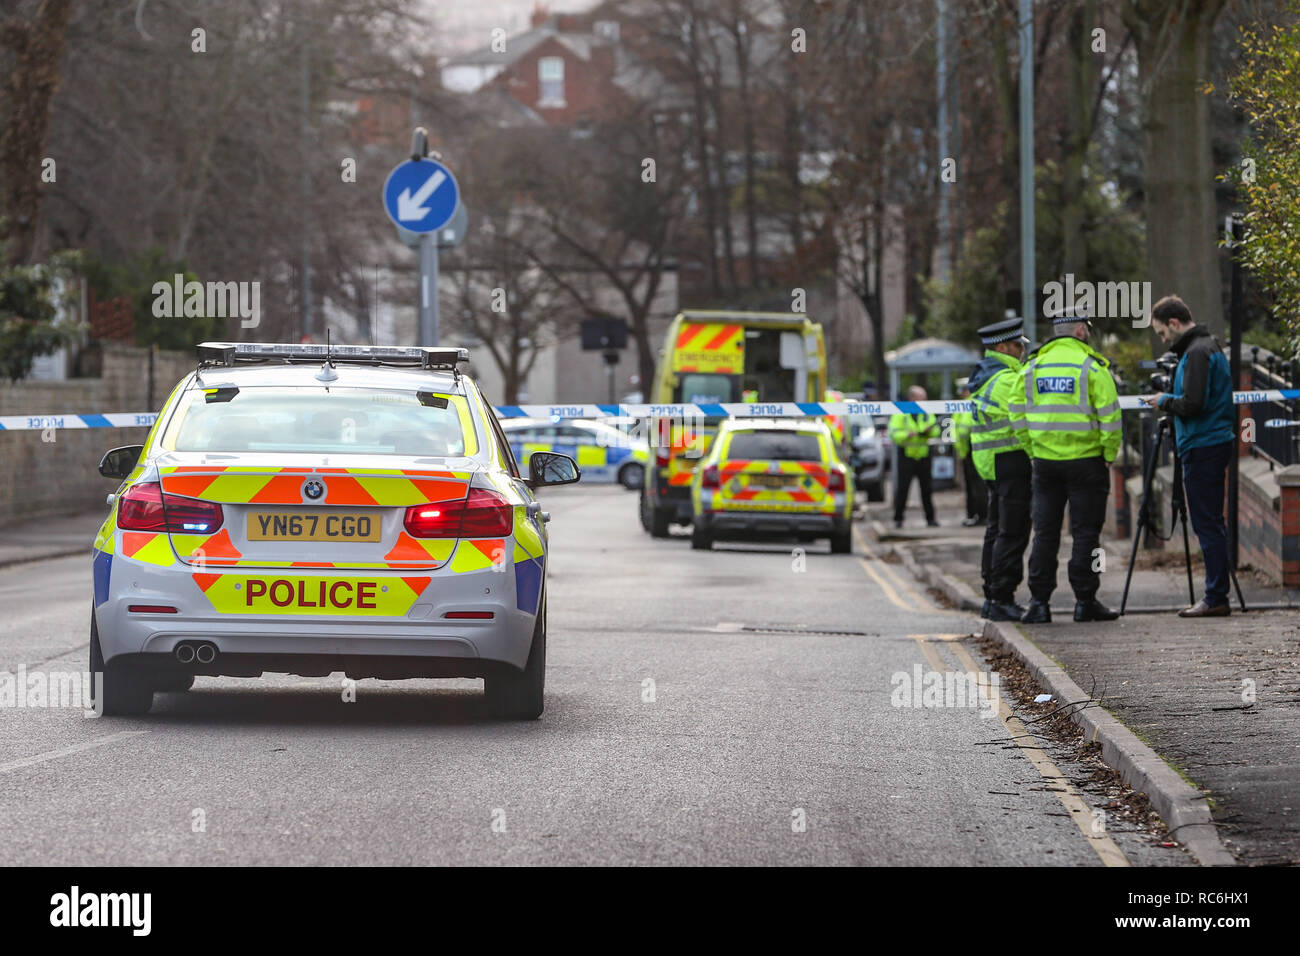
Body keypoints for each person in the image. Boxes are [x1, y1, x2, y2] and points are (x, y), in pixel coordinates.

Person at [1010, 310, 1121, 623]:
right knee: (1087, 534)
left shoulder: (1032, 366)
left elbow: (1016, 413)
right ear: (1081, 331)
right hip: (1088, 462)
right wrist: (1109, 453)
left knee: (1045, 533)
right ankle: (1086, 601)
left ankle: (1039, 603)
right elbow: (1111, 417)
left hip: (1045, 464)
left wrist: (1033, 450)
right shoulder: (1092, 367)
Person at [1142, 295, 1237, 617]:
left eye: (1161, 333)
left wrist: (1164, 400)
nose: (1163, 341)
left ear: (1173, 323)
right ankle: (1216, 594)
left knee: (1207, 523)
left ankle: (1215, 597)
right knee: (1211, 522)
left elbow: (1193, 404)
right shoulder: (1206, 348)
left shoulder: (1197, 353)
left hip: (1203, 444)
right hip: (1210, 442)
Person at [968, 314, 1033, 621]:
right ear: (1006, 347)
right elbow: (1027, 420)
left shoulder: (986, 377)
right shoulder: (1008, 380)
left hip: (993, 464)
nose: (1023, 351)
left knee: (996, 531)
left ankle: (992, 596)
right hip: (1011, 460)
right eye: (1019, 346)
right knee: (1012, 532)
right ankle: (1002, 598)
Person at [889, 386, 940, 529]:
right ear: (912, 399)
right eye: (921, 398)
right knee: (903, 490)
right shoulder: (900, 412)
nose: (924, 401)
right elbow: (893, 433)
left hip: (923, 455)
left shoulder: (926, 412)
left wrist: (929, 432)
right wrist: (907, 435)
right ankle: (898, 519)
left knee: (927, 490)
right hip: (907, 456)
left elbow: (936, 429)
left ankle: (931, 519)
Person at [953, 381, 987, 527]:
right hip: (969, 450)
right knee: (974, 485)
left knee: (976, 486)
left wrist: (958, 440)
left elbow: (963, 429)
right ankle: (974, 515)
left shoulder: (968, 404)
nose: (961, 393)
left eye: (963, 390)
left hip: (971, 450)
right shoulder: (964, 404)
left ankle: (979, 515)